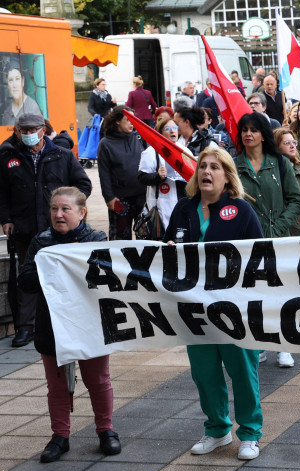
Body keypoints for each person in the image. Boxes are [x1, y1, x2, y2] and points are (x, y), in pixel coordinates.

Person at [164, 146, 265, 461]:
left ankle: (249, 433)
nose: (206, 172)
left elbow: (260, 258)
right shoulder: (183, 209)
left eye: (215, 167)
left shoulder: (242, 210)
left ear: (227, 176)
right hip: (194, 310)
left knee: (242, 371)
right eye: (202, 167)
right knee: (204, 372)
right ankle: (217, 430)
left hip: (233, 308)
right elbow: (167, 251)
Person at [18, 187, 120, 463]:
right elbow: (25, 281)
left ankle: (106, 431)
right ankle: (60, 436)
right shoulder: (41, 242)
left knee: (97, 380)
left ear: (82, 212)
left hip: (90, 324)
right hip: (52, 326)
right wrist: (53, 269)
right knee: (58, 385)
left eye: (65, 209)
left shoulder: (96, 239)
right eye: (54, 209)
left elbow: (107, 280)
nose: (58, 214)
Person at [0, 114, 92, 347]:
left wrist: (72, 209)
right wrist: (6, 219)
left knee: (62, 275)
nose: (28, 134)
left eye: (32, 129)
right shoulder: (10, 157)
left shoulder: (61, 155)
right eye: (23, 130)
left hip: (59, 229)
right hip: (24, 228)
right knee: (28, 275)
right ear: (18, 132)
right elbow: (2, 192)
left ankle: (65, 322)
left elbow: (83, 185)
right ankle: (26, 327)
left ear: (43, 130)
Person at [235, 113, 300, 368]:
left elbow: (296, 200)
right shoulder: (233, 165)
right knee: (253, 296)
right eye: (244, 130)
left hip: (278, 240)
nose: (248, 134)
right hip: (246, 243)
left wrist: (280, 225)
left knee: (279, 295)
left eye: (253, 129)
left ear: (264, 134)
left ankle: (283, 347)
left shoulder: (280, 163)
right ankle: (259, 345)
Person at [97, 106, 146, 240]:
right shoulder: (105, 144)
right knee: (120, 239)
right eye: (128, 119)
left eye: (133, 119)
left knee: (145, 236)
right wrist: (109, 198)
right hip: (120, 199)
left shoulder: (139, 137)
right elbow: (104, 173)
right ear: (117, 121)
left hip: (142, 196)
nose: (132, 123)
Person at [137, 108, 186, 232]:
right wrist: (157, 176)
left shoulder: (184, 150)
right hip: (160, 206)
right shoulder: (151, 152)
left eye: (175, 128)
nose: (172, 131)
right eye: (168, 129)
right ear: (160, 132)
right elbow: (142, 177)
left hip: (180, 203)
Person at [274, 128, 300, 236]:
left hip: (297, 228)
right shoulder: (270, 169)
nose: (292, 146)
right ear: (276, 146)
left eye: (294, 142)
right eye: (287, 143)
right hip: (276, 227)